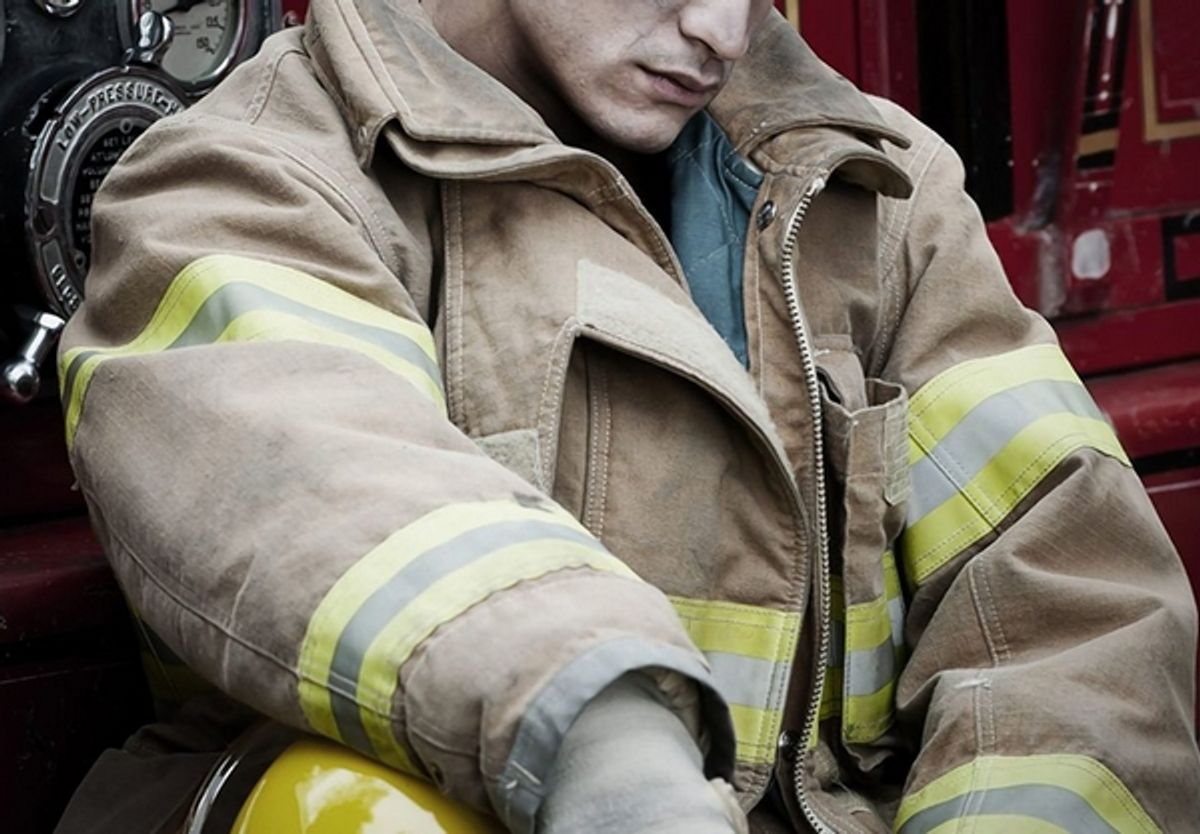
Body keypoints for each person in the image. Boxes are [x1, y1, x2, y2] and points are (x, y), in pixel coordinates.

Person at [54, 0, 1200, 831]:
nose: (724, 29)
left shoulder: (879, 191)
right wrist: (608, 744)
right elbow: (321, 488)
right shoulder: (246, 182)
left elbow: (1067, 610)